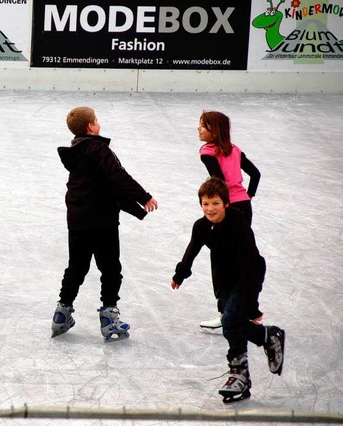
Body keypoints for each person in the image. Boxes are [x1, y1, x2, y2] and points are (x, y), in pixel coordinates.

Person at [171, 177, 284, 403]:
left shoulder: (239, 228)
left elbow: (250, 267)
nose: (210, 209)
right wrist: (180, 274)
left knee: (231, 319)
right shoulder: (202, 226)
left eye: (215, 203)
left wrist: (252, 307)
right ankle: (266, 337)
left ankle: (239, 373)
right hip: (224, 279)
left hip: (247, 276)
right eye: (205, 203)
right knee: (230, 323)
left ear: (226, 204)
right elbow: (192, 249)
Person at [51, 106, 158, 342]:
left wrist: (135, 209)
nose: (98, 123)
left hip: (77, 222)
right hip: (102, 222)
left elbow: (107, 186)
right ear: (91, 127)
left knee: (76, 267)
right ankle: (109, 315)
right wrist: (144, 197)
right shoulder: (100, 149)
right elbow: (118, 178)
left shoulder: (75, 153)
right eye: (96, 120)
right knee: (110, 268)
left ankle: (62, 312)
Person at [197, 110, 261, 329]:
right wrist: (248, 195)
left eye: (203, 126)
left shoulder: (207, 151)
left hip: (227, 211)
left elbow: (219, 181)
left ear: (214, 130)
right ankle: (247, 310)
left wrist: (216, 206)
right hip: (244, 206)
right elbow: (256, 174)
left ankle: (226, 313)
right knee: (241, 258)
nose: (199, 129)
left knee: (223, 263)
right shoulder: (235, 149)